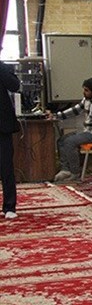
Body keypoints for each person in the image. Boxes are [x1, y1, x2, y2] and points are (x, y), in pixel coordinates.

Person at [49, 77, 92, 183]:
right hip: (88, 131)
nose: (84, 92)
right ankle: (65, 170)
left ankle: (75, 172)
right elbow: (75, 110)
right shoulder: (87, 99)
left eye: (86, 90)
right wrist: (56, 116)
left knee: (70, 142)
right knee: (61, 140)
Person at [0, 61, 21, 220]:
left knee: (6, 166)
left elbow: (14, 85)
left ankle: (9, 206)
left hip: (2, 125)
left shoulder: (3, 67)